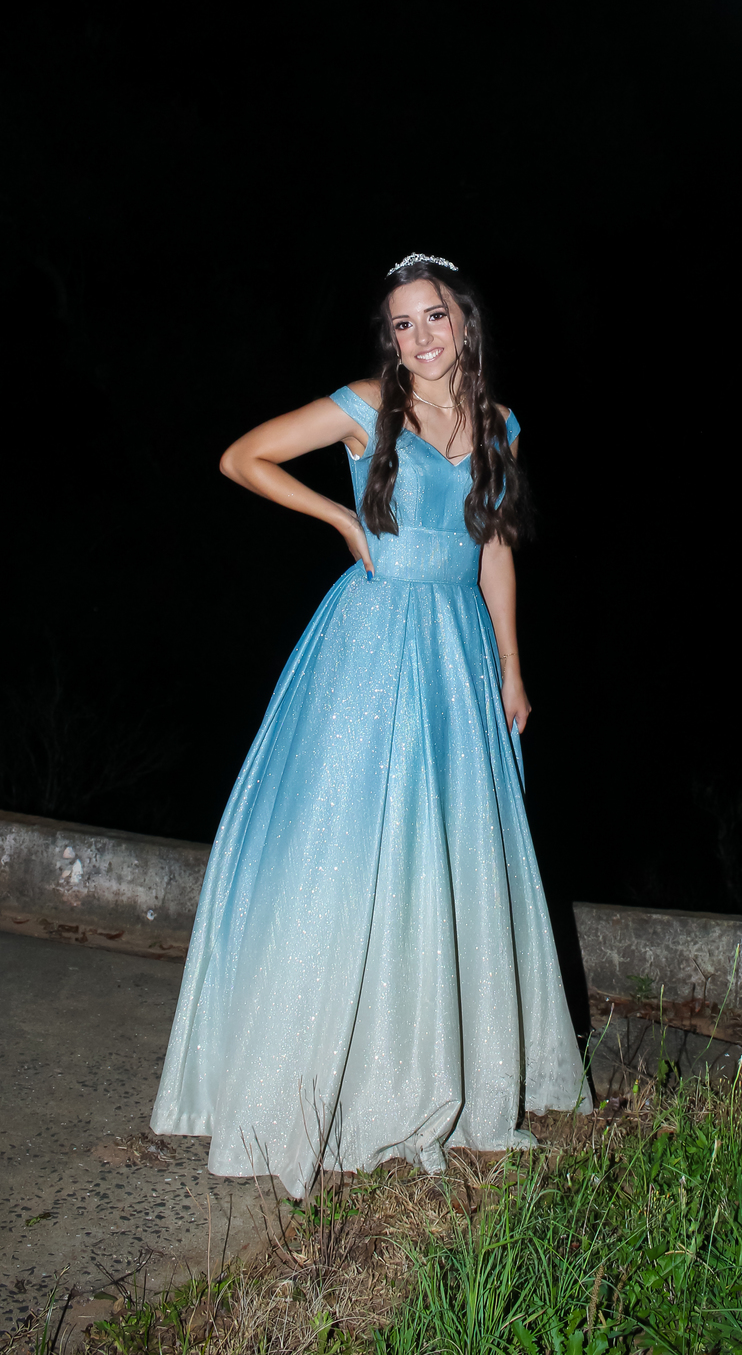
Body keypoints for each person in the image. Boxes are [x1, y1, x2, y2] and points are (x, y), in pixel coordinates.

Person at [150, 254, 589, 1196]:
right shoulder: (365, 408)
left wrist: (512, 667)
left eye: (434, 316)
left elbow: (496, 550)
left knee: (449, 855)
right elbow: (243, 458)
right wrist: (343, 524)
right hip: (375, 643)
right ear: (389, 338)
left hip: (459, 653)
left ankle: (442, 1072)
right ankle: (330, 1084)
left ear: (464, 321)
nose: (420, 337)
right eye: (402, 323)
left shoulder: (501, 424)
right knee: (351, 846)